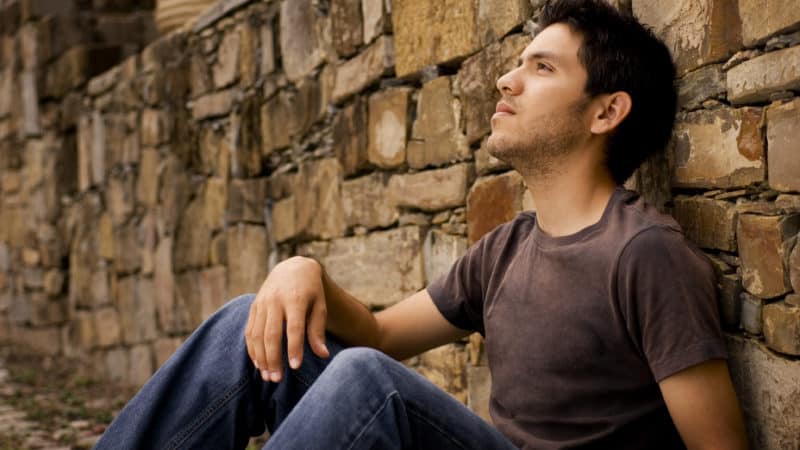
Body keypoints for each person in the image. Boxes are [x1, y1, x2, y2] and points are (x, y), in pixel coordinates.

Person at [95, 0, 749, 449]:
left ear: (606, 112)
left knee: (367, 387)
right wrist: (303, 272)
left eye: (541, 68)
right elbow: (378, 334)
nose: (506, 79)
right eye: (517, 62)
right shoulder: (507, 250)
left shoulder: (645, 254)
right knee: (253, 320)